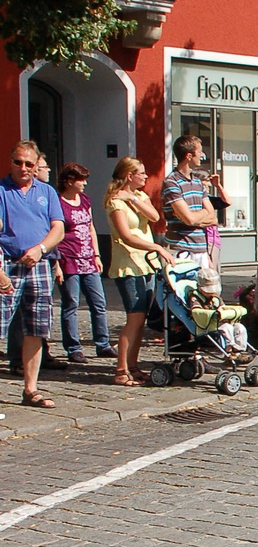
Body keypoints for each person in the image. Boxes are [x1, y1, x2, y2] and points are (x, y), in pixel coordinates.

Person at [0, 141, 66, 408]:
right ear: (11, 162)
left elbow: (58, 229)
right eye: (18, 162)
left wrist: (41, 249)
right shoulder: (2, 191)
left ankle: (30, 390)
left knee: (36, 329)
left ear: (37, 164)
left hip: (38, 265)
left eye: (29, 163)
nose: (23, 168)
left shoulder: (47, 191)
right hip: (8, 264)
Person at [105, 157, 172, 387]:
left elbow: (154, 217)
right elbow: (126, 235)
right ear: (129, 175)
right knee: (133, 319)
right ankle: (121, 370)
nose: (145, 176)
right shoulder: (115, 202)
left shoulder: (139, 197)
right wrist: (155, 246)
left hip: (146, 265)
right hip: (128, 265)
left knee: (141, 319)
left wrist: (133, 197)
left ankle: (133, 366)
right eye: (141, 173)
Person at [56, 163, 114, 364]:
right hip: (68, 259)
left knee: (98, 302)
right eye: (81, 179)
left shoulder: (84, 201)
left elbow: (91, 228)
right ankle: (73, 347)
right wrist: (56, 264)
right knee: (71, 303)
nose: (85, 183)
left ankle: (103, 343)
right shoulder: (58, 203)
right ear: (70, 181)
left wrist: (97, 255)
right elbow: (55, 232)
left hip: (88, 258)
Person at [161, 135, 217, 267]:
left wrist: (194, 215)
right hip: (181, 250)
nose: (202, 155)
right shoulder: (171, 182)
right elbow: (189, 219)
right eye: (199, 151)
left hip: (201, 249)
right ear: (189, 156)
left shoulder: (198, 182)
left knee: (207, 287)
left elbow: (213, 218)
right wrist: (201, 214)